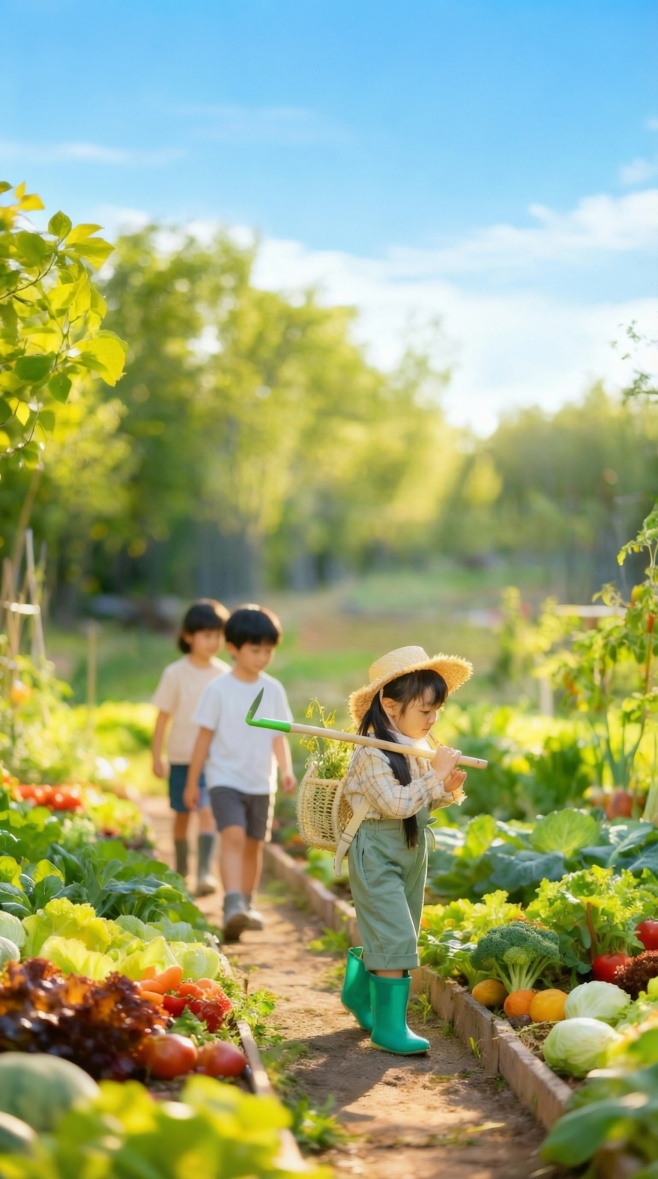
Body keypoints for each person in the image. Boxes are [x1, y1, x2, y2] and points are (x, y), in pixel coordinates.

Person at [340, 645, 472, 1056]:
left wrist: (443, 789)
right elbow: (395, 804)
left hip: (411, 848)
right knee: (395, 933)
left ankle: (361, 997)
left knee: (400, 930)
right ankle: (390, 1029)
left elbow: (418, 802)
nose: (432, 720)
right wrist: (434, 775)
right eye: (424, 711)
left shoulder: (415, 745)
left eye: (437, 711)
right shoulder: (371, 752)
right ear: (389, 705)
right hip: (376, 850)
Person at [184, 604, 297, 940]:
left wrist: (287, 770)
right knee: (232, 836)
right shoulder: (218, 690)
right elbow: (203, 739)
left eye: (268, 651)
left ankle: (246, 905)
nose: (262, 657)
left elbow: (279, 736)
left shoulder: (273, 689)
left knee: (253, 845)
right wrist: (194, 782)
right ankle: (231, 902)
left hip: (261, 782)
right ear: (232, 648)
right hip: (224, 780)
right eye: (255, 649)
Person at [151, 599, 230, 895]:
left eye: (218, 635)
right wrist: (156, 756)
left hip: (213, 760)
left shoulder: (223, 674)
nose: (214, 642)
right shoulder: (175, 673)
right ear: (188, 636)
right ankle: (182, 869)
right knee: (182, 814)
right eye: (207, 635)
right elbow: (162, 718)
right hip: (182, 758)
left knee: (207, 813)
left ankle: (205, 873)